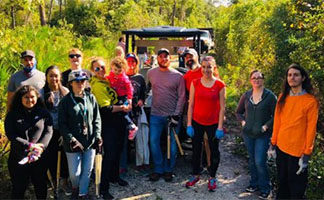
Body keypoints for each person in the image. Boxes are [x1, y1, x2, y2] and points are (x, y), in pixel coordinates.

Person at [270, 64, 319, 199]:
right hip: (281, 147)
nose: (292, 78)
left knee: (296, 190)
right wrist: (273, 143)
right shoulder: (282, 98)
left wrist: (307, 154)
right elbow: (277, 122)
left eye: (296, 75)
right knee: (282, 184)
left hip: (298, 152)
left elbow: (311, 129)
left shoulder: (310, 101)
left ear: (303, 78)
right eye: (289, 75)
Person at [89, 57, 130, 200]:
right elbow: (105, 108)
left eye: (102, 67)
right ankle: (103, 188)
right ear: (92, 71)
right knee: (109, 155)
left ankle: (114, 177)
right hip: (107, 123)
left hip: (117, 121)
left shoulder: (106, 80)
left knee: (118, 150)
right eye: (97, 68)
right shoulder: (98, 85)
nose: (101, 70)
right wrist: (123, 108)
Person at [58, 69, 102, 199]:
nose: (80, 84)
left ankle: (83, 193)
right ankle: (75, 187)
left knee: (87, 170)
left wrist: (98, 135)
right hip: (72, 143)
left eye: (82, 81)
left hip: (90, 140)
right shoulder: (65, 102)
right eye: (76, 81)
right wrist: (71, 139)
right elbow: (62, 124)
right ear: (70, 83)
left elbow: (97, 118)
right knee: (75, 174)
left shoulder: (91, 98)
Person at [5, 85, 53, 199]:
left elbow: (48, 131)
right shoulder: (12, 114)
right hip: (18, 157)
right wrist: (29, 146)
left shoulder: (43, 113)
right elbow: (11, 134)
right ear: (20, 98)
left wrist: (40, 148)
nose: (30, 100)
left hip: (39, 157)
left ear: (37, 97)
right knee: (18, 189)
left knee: (41, 187)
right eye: (26, 97)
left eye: (32, 97)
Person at [185, 56, 225, 192]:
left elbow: (222, 108)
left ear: (214, 68)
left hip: (213, 123)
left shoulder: (220, 85)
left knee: (214, 150)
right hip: (197, 122)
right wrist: (189, 124)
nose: (206, 69)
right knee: (196, 149)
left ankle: (212, 176)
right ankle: (195, 174)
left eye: (209, 67)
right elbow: (191, 105)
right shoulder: (195, 83)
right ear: (201, 67)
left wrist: (220, 127)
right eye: (204, 67)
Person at [235, 70, 277, 199]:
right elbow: (238, 112)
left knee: (260, 161)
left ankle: (266, 187)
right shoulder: (247, 95)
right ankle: (254, 184)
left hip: (263, 135)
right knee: (252, 160)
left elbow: (277, 115)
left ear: (263, 80)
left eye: (259, 78)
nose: (256, 80)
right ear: (250, 80)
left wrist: (266, 126)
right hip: (248, 134)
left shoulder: (270, 96)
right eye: (254, 78)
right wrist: (243, 122)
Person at [147, 48, 186, 182]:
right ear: (157, 58)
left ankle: (168, 169)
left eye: (166, 56)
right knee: (153, 141)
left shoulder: (178, 76)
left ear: (170, 58)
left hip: (172, 116)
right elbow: (147, 90)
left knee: (173, 145)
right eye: (161, 56)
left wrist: (176, 115)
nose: (164, 59)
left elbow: (182, 97)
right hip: (155, 115)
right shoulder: (151, 73)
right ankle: (158, 168)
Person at [42, 65, 71, 195]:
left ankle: (65, 182)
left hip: (63, 130)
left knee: (65, 156)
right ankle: (54, 183)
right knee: (51, 157)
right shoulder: (41, 93)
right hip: (48, 131)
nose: (54, 78)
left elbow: (70, 114)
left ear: (60, 77)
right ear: (46, 77)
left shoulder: (65, 92)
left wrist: (65, 132)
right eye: (51, 75)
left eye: (56, 75)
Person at [124, 53, 149, 171]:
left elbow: (144, 92)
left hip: (137, 111)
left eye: (133, 62)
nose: (131, 64)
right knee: (125, 139)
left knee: (140, 137)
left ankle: (141, 161)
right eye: (128, 61)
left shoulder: (140, 78)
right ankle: (124, 163)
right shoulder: (122, 77)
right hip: (124, 112)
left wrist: (141, 100)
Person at [106, 56, 138, 139]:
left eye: (119, 71)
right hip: (114, 97)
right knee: (117, 113)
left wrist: (129, 99)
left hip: (123, 97)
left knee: (123, 111)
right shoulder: (110, 77)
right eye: (115, 70)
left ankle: (131, 126)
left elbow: (130, 89)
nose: (117, 72)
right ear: (112, 68)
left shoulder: (124, 78)